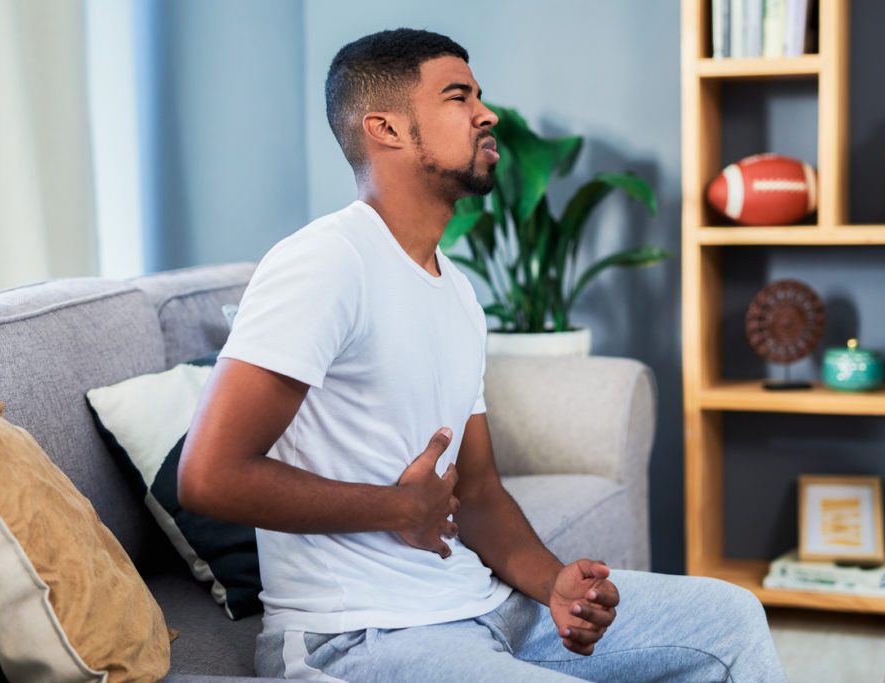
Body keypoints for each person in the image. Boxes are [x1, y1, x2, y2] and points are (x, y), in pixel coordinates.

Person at [178, 28, 787, 683]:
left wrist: (554, 584)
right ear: (386, 129)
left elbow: (477, 490)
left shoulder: (457, 292)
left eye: (478, 95)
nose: (486, 113)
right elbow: (209, 475)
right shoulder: (326, 262)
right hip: (361, 635)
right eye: (457, 96)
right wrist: (396, 506)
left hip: (486, 606)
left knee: (730, 617)